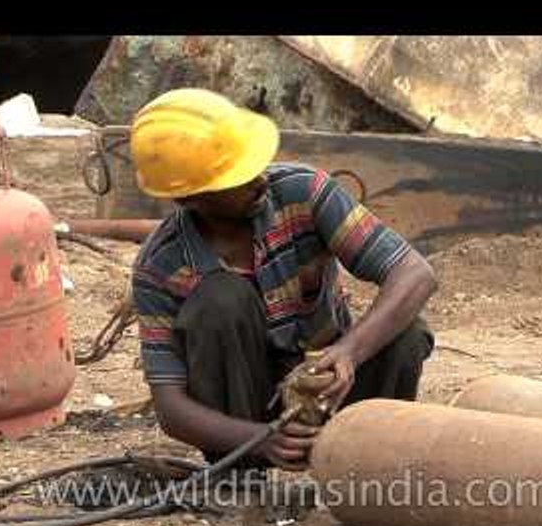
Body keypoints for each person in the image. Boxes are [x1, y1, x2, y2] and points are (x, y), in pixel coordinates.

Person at [129, 89, 438, 472]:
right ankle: (244, 481)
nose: (258, 180)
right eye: (238, 178)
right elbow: (171, 408)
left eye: (254, 164)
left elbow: (414, 273)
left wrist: (349, 351)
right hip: (243, 416)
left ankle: (371, 471)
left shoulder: (303, 192)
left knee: (405, 335)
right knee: (220, 299)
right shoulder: (160, 266)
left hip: (330, 386)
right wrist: (260, 439)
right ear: (190, 198)